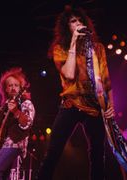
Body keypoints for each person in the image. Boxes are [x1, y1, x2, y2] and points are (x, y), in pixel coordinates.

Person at [37, 5, 115, 180]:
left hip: (94, 106)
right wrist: (73, 42)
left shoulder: (98, 48)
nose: (78, 24)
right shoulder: (60, 48)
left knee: (97, 153)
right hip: (71, 103)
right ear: (67, 27)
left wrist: (111, 105)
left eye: (80, 20)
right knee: (54, 150)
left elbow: (106, 81)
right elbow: (69, 73)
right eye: (73, 21)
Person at [0, 67, 35, 180]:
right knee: (3, 175)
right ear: (6, 89)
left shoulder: (26, 103)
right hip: (3, 143)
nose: (13, 88)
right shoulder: (5, 106)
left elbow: (27, 124)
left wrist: (16, 112)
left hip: (15, 143)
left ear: (20, 87)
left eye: (16, 85)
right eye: (10, 85)